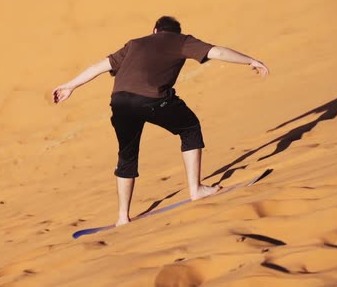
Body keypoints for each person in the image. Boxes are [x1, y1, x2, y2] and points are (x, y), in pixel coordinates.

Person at [53, 16, 268, 227]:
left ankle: (122, 217)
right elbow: (217, 52)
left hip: (119, 102)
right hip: (152, 101)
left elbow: (97, 67)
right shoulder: (181, 41)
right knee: (190, 127)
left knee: (127, 155)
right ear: (174, 32)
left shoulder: (134, 44)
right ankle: (196, 190)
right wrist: (251, 60)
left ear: (155, 30)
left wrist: (69, 86)